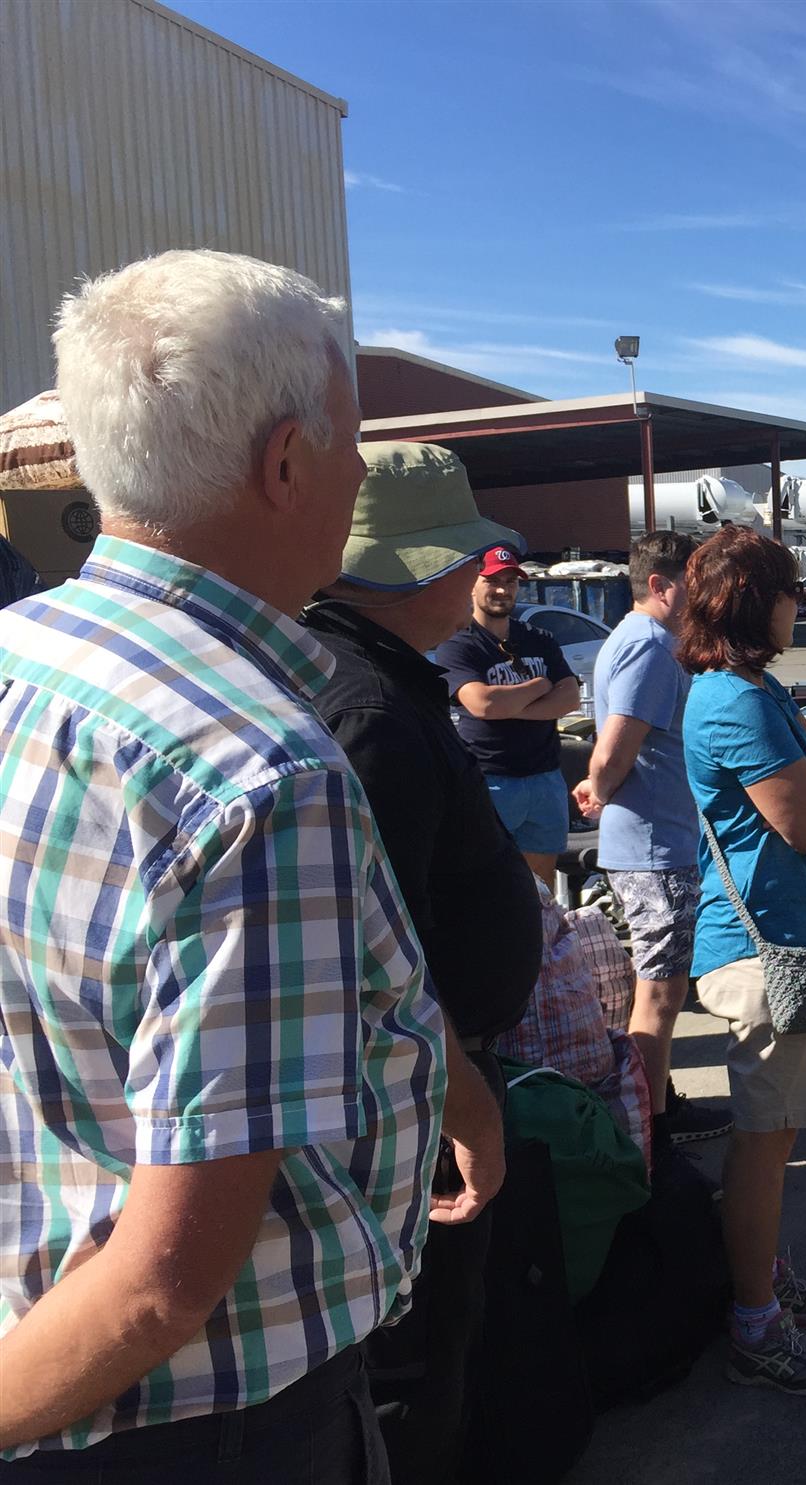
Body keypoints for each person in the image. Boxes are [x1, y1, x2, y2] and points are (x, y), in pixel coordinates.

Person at [0, 249, 495, 1477]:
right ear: (285, 466)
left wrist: (454, 1088)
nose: (356, 476)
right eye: (351, 445)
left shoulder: (25, 656)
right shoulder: (257, 772)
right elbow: (166, 1283)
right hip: (195, 1421)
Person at [298, 439, 538, 1483]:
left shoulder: (376, 680)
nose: (480, 576)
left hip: (426, 1078)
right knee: (417, 1353)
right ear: (419, 569)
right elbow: (375, 954)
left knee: (436, 1340)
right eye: (464, 556)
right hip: (414, 1095)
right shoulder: (370, 711)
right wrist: (457, 1100)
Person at [678, 526, 806, 1395]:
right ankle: (754, 1321)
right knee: (761, 1140)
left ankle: (765, 1280)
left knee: (777, 1135)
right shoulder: (735, 702)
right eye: (791, 591)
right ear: (756, 602)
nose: (801, 606)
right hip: (759, 951)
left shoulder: (758, 689)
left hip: (783, 938)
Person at [574, 530, 733, 1142]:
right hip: (652, 848)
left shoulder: (651, 642)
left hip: (660, 841)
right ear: (661, 586)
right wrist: (599, 787)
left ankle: (657, 1106)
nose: (705, 598)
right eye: (695, 586)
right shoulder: (648, 647)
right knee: (660, 993)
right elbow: (614, 750)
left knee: (662, 987)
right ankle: (650, 1132)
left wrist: (600, 785)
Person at [435, 545, 582, 886]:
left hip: (545, 778)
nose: (502, 590)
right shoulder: (457, 643)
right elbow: (482, 704)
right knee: (486, 883)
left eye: (510, 582)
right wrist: (540, 685)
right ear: (473, 584)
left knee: (541, 887)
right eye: (493, 581)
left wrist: (511, 706)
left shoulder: (539, 638)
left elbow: (570, 698)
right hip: (490, 780)